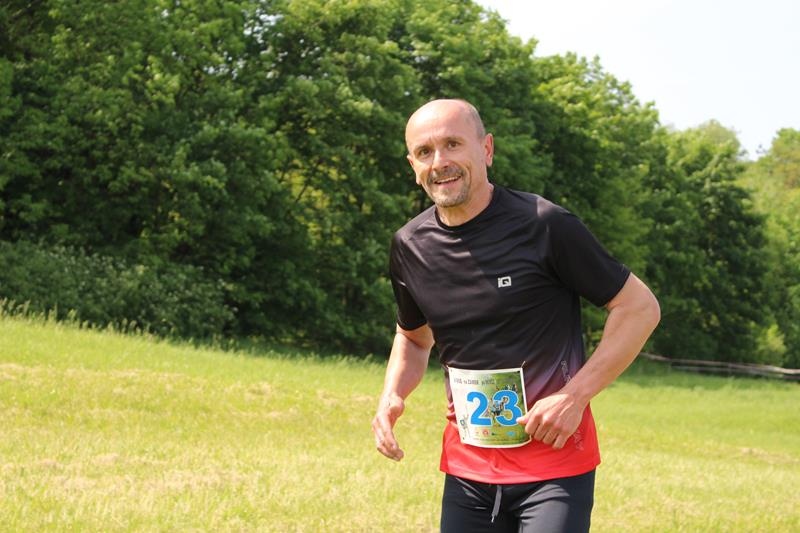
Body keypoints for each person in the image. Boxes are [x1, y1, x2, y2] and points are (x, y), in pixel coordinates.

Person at [371, 98, 660, 532]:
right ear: (413, 165)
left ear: (486, 149)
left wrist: (574, 396)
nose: (440, 162)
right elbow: (413, 336)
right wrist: (393, 393)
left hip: (555, 465)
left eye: (453, 144)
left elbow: (639, 308)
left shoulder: (545, 224)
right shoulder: (410, 245)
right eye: (425, 151)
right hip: (468, 470)